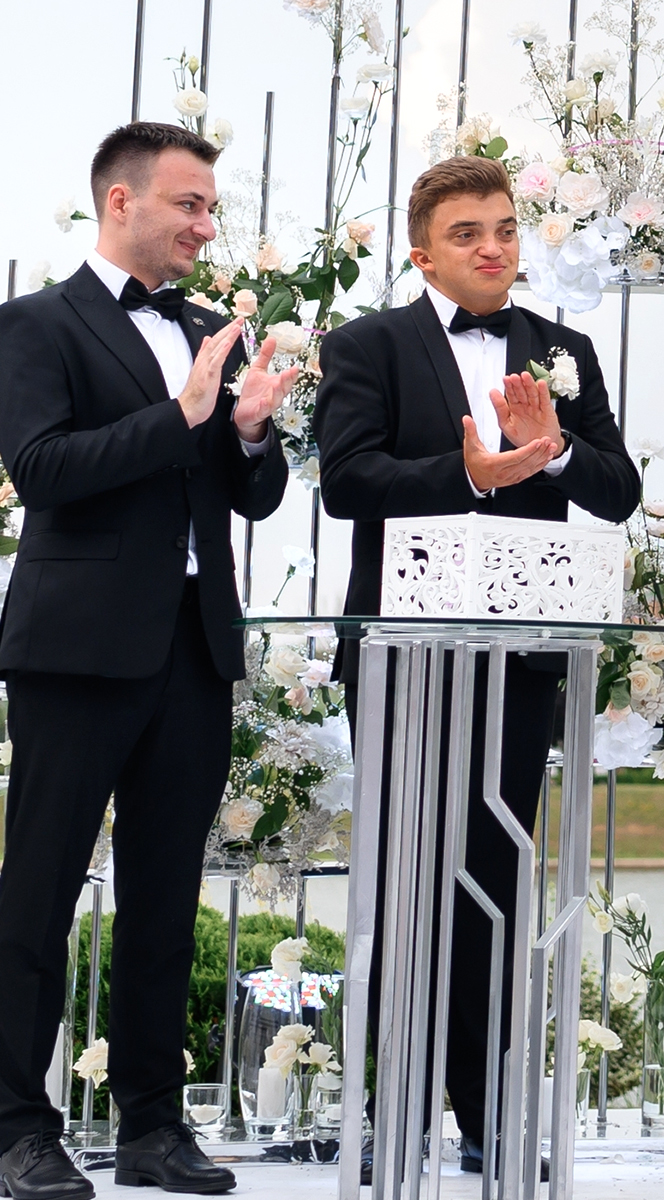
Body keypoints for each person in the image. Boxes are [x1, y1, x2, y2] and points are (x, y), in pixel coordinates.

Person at [315, 155, 641, 1177]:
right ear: (422, 253)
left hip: (520, 656)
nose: (494, 247)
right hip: (405, 658)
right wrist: (463, 472)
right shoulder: (366, 344)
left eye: (504, 228)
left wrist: (552, 454)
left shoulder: (563, 349)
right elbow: (346, 481)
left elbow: (620, 491)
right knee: (406, 881)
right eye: (468, 233)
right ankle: (393, 1108)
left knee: (494, 882)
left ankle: (487, 1112)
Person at [0, 121, 296, 1200]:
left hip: (192, 647)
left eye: (211, 207)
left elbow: (246, 493)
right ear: (120, 202)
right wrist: (182, 415)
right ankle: (16, 1129)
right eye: (190, 205)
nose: (205, 226)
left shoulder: (212, 327)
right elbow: (42, 470)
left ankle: (151, 1130)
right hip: (76, 652)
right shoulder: (32, 324)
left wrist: (253, 432)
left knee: (167, 904)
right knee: (35, 898)